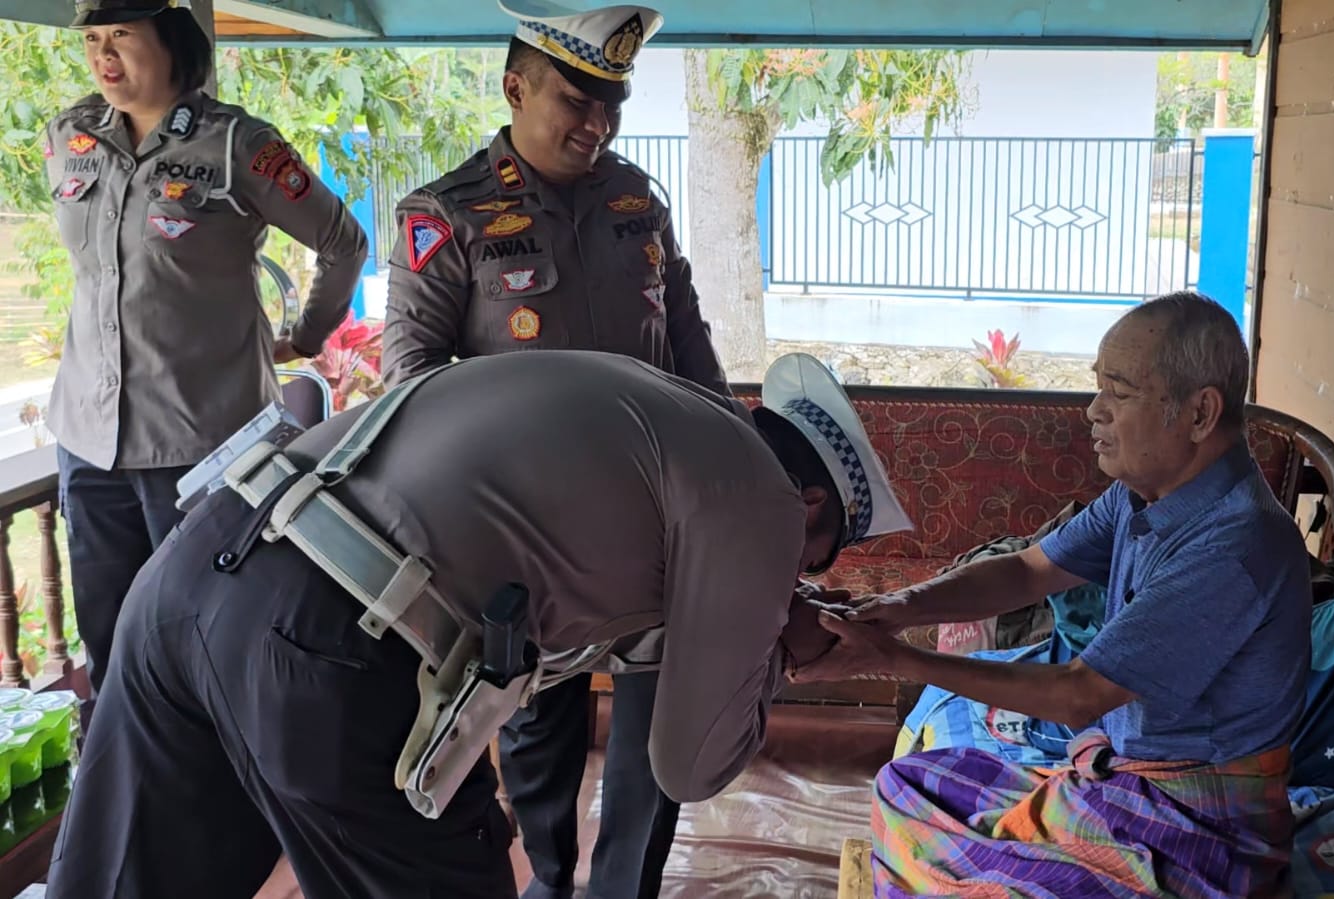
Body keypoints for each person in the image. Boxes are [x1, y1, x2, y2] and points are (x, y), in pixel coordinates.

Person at [45, 350, 911, 899]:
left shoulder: (658, 410)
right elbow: (690, 764)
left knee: (127, 879)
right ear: (804, 507)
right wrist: (773, 653)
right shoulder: (756, 498)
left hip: (198, 558)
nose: (795, 579)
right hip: (330, 635)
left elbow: (625, 615)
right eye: (812, 562)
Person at [793, 292, 1313, 896]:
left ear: (1199, 414)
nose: (1094, 411)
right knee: (904, 786)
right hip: (1119, 783)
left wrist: (894, 659)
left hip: (1193, 827)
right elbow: (1028, 570)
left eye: (1117, 393)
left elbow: (1079, 695)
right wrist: (902, 609)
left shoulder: (1235, 546)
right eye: (1098, 389)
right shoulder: (1145, 493)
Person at [379, 5, 726, 896]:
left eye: (612, 103)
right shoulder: (445, 215)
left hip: (656, 521)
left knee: (658, 724)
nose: (597, 123)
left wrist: (730, 458)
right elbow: (410, 379)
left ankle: (624, 887)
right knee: (535, 725)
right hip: (525, 532)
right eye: (575, 100)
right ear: (514, 88)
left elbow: (687, 340)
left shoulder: (635, 200)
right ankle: (549, 880)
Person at [44, 0, 368, 694]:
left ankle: (218, 799)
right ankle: (125, 792)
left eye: (122, 37)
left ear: (172, 42)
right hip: (90, 441)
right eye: (94, 39)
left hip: (203, 446)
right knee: (109, 640)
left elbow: (343, 242)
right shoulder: (71, 135)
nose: (103, 55)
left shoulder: (237, 146)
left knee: (207, 641)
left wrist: (306, 336)